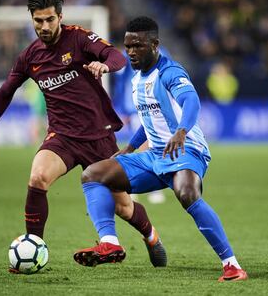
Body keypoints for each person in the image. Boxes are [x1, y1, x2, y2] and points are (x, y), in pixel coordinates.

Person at [0, 0, 167, 270]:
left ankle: (151, 236)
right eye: (38, 21)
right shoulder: (30, 56)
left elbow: (117, 56)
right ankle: (34, 248)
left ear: (60, 17)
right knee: (38, 177)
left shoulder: (79, 38)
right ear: (32, 20)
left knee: (124, 208)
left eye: (50, 19)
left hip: (98, 137)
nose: (44, 26)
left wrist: (104, 65)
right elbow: (5, 91)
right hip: (62, 138)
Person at [73, 16, 248, 282]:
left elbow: (191, 101)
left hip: (187, 149)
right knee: (93, 174)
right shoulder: (135, 79)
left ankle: (232, 265)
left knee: (187, 193)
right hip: (155, 155)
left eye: (138, 46)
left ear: (155, 44)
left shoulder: (170, 72)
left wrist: (181, 132)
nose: (131, 52)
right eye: (128, 46)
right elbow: (149, 120)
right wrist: (130, 147)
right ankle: (110, 243)